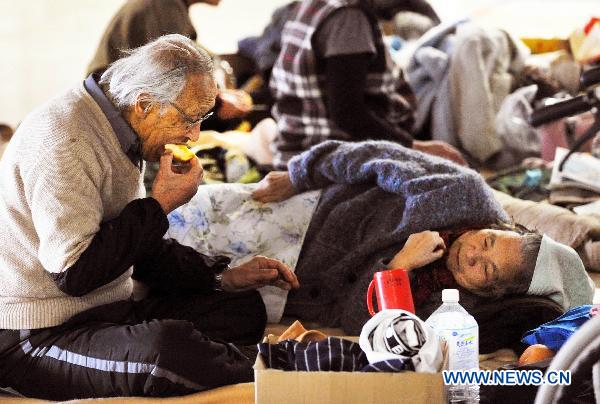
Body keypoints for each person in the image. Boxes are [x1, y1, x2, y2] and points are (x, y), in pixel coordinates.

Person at [0, 35, 299, 400]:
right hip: (37, 334)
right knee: (167, 350)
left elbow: (136, 249)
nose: (194, 135)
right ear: (144, 105)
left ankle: (242, 359)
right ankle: (282, 365)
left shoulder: (121, 126)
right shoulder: (64, 142)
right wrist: (159, 205)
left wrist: (223, 275)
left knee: (242, 307)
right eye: (189, 120)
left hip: (105, 310)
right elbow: (75, 274)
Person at [168, 140, 595, 335]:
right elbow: (375, 157)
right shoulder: (464, 193)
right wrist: (301, 173)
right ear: (500, 227)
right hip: (308, 215)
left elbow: (356, 324)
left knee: (170, 285)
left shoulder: (456, 313)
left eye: (487, 269)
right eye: (486, 241)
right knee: (175, 216)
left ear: (496, 293)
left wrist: (397, 269)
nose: (471, 255)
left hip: (292, 288)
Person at [269, 0, 466, 169]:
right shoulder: (348, 18)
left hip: (298, 150)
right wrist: (413, 147)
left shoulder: (316, 5)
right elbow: (348, 114)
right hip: (330, 157)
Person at [87, 0, 252, 125]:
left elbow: (194, 53)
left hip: (122, 100)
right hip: (112, 110)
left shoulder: (169, 7)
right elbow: (176, 75)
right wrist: (219, 101)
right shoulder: (163, 7)